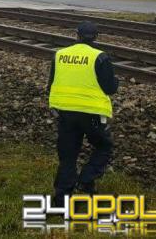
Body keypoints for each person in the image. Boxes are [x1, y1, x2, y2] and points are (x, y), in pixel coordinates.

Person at [47, 21, 118, 205]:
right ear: (96, 37)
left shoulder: (60, 55)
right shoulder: (100, 57)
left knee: (68, 155)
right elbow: (110, 88)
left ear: (76, 34)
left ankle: (62, 198)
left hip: (64, 111)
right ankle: (86, 179)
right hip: (92, 112)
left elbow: (51, 84)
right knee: (104, 146)